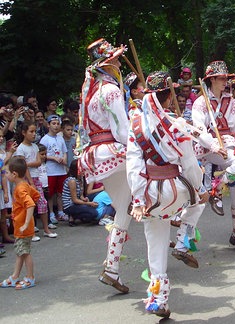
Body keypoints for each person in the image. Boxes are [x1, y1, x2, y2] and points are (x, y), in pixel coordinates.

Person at [127, 71, 209, 318]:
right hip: (175, 189)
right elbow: (190, 164)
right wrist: (200, 188)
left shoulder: (136, 124)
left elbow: (134, 164)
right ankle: (183, 237)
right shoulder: (177, 125)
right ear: (168, 97)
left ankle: (158, 297)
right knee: (197, 204)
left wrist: (138, 199)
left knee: (156, 242)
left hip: (150, 192)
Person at [78, 38, 132, 293]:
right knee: (133, 200)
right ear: (108, 64)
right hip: (112, 152)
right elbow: (122, 130)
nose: (120, 63)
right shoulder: (110, 90)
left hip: (96, 154)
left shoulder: (92, 90)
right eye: (118, 60)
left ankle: (112, 267)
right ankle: (173, 217)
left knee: (125, 207)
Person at [188, 60, 235, 252]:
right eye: (222, 78)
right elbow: (198, 130)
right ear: (212, 80)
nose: (226, 81)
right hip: (207, 147)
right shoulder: (201, 102)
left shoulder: (230, 101)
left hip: (229, 144)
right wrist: (214, 145)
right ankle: (215, 188)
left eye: (227, 78)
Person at [0, 157, 39, 289]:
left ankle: (30, 277)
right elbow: (36, 195)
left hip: (23, 227)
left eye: (7, 173)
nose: (5, 175)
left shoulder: (20, 189)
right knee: (20, 252)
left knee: (25, 252)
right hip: (21, 226)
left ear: (14, 174)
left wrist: (26, 222)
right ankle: (15, 276)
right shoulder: (24, 185)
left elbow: (30, 204)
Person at [15, 120, 58, 239]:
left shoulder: (35, 146)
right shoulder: (21, 148)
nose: (34, 134)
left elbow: (39, 162)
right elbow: (23, 168)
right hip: (26, 180)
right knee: (28, 206)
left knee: (42, 202)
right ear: (24, 133)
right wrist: (31, 182)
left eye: (34, 131)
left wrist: (27, 164)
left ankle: (46, 229)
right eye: (31, 131)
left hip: (36, 177)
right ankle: (30, 232)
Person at [40, 115, 68, 223]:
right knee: (50, 193)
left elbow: (64, 151)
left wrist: (64, 159)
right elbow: (42, 155)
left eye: (57, 124)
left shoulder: (60, 138)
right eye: (53, 124)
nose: (56, 126)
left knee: (60, 192)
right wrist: (53, 158)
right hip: (50, 170)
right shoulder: (45, 139)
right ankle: (51, 213)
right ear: (48, 125)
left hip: (61, 170)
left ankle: (60, 212)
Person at [62, 160, 99, 225]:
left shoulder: (80, 178)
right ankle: (73, 216)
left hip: (77, 203)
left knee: (93, 212)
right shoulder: (72, 181)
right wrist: (89, 203)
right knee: (93, 213)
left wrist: (84, 199)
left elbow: (80, 195)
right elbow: (75, 200)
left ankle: (76, 216)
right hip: (70, 205)